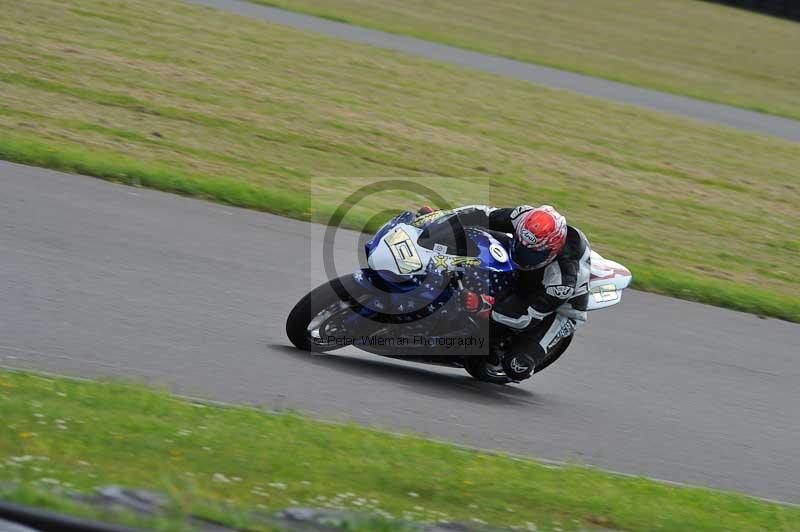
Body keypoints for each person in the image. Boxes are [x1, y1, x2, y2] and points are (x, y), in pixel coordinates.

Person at [416, 204, 591, 381]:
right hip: (530, 275)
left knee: (516, 366)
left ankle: (496, 349)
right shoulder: (523, 218)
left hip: (553, 308)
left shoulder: (561, 281)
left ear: (551, 252)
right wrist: (440, 219)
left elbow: (527, 317)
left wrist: (483, 305)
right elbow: (480, 213)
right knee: (473, 233)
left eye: (531, 254)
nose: (522, 256)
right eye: (520, 246)